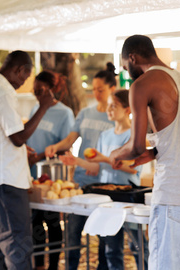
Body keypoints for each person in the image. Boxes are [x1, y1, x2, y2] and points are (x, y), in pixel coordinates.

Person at [109, 35, 180, 270]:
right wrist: (154, 152)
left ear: (132, 58)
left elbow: (134, 145)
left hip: (176, 189)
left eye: (125, 65)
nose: (126, 72)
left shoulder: (142, 85)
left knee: (167, 265)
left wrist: (115, 154)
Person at [0, 51, 56, 270]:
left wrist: (18, 152)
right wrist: (44, 106)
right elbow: (17, 137)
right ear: (20, 70)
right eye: (25, 77)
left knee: (0, 251)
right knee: (17, 249)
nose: (24, 83)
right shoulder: (2, 91)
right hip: (6, 182)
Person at [60, 90, 149, 270]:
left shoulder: (134, 135)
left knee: (137, 246)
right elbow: (97, 168)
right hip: (107, 198)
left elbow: (133, 167)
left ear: (127, 109)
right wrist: (76, 161)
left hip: (128, 197)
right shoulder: (105, 135)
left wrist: (104, 158)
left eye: (113, 105)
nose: (108, 109)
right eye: (108, 105)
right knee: (111, 248)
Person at [45, 62, 116, 270]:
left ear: (112, 89)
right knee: (73, 234)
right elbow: (70, 140)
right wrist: (55, 147)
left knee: (104, 237)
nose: (96, 93)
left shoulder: (115, 116)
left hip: (104, 183)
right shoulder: (85, 112)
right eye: (93, 89)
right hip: (80, 183)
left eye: (100, 90)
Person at [27, 70, 75, 270]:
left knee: (53, 222)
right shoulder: (34, 109)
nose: (37, 94)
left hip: (51, 176)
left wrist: (40, 156)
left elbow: (66, 146)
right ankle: (39, 265)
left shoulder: (64, 113)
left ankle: (53, 265)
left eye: (41, 90)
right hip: (31, 175)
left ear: (52, 90)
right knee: (35, 222)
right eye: (35, 90)